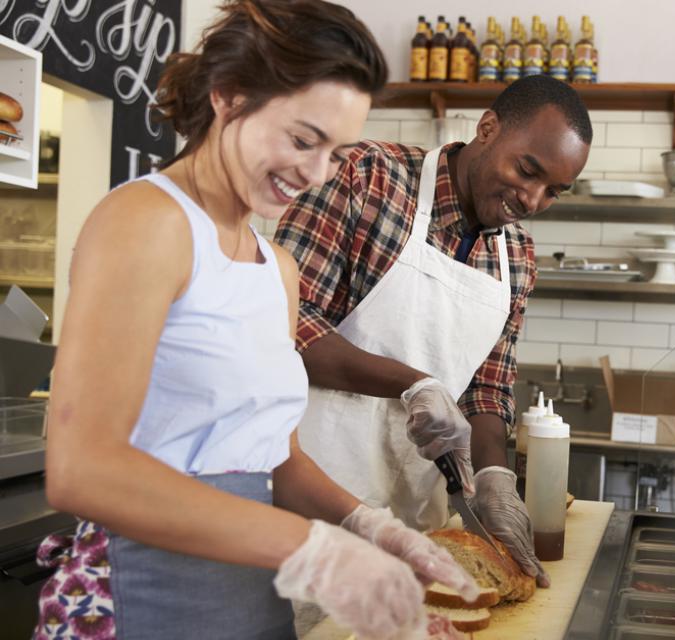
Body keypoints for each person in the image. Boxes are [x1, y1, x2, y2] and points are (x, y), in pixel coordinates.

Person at [34, 2, 476, 639]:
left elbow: (274, 458)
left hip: (248, 608)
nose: (317, 173)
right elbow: (84, 470)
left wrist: (372, 529)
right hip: (141, 600)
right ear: (229, 97)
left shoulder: (279, 268)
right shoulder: (147, 223)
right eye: (303, 140)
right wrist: (317, 553)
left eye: (336, 153)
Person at [275, 74, 593, 588]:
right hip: (309, 500)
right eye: (527, 170)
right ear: (488, 128)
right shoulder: (368, 177)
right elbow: (284, 322)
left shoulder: (519, 258)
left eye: (554, 191)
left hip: (414, 527)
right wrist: (413, 382)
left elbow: (488, 389)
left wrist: (494, 478)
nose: (532, 200)